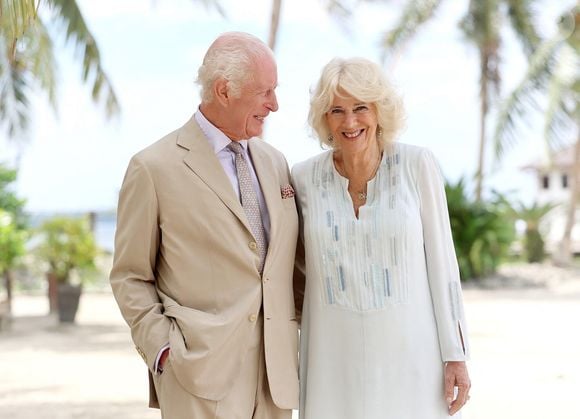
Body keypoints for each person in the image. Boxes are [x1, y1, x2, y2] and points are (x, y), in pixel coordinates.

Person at [110, 32, 301, 419]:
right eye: (265, 91)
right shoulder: (153, 168)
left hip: (275, 382)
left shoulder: (275, 162)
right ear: (224, 90)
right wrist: (163, 350)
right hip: (198, 379)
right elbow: (130, 276)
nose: (274, 105)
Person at [292, 57, 471, 419]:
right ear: (324, 119)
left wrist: (456, 354)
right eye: (337, 110)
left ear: (379, 111)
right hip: (332, 362)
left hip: (412, 358)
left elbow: (443, 264)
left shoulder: (416, 165)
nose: (350, 121)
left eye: (360, 107)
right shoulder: (302, 178)